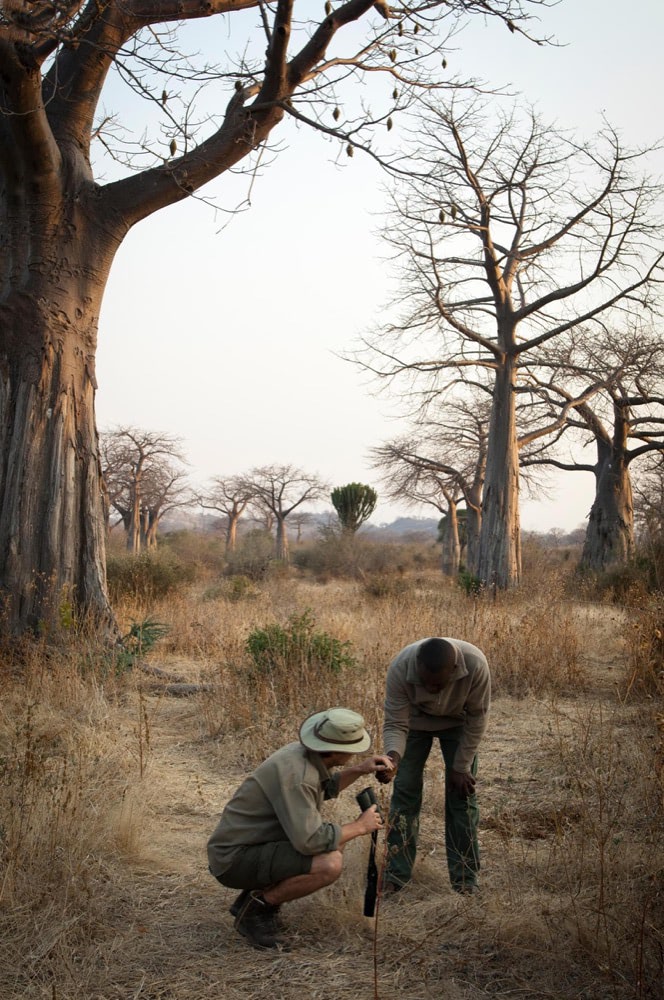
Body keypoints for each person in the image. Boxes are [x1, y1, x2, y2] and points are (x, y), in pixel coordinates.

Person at [207, 707, 394, 949]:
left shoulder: (301, 755)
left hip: (246, 848)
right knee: (329, 863)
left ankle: (251, 901)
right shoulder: (298, 775)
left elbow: (325, 787)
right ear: (337, 751)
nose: (354, 754)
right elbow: (311, 841)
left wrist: (360, 769)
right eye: (352, 750)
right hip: (233, 860)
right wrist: (360, 826)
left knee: (335, 842)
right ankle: (255, 913)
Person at [377, 637, 491, 895]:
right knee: (404, 791)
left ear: (454, 670)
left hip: (458, 722)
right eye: (424, 681)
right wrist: (393, 759)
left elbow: (477, 718)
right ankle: (396, 876)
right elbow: (396, 722)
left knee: (462, 798)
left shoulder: (475, 664)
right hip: (416, 723)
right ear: (416, 665)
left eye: (437, 684)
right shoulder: (400, 667)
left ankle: (465, 880)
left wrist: (461, 767)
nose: (430, 688)